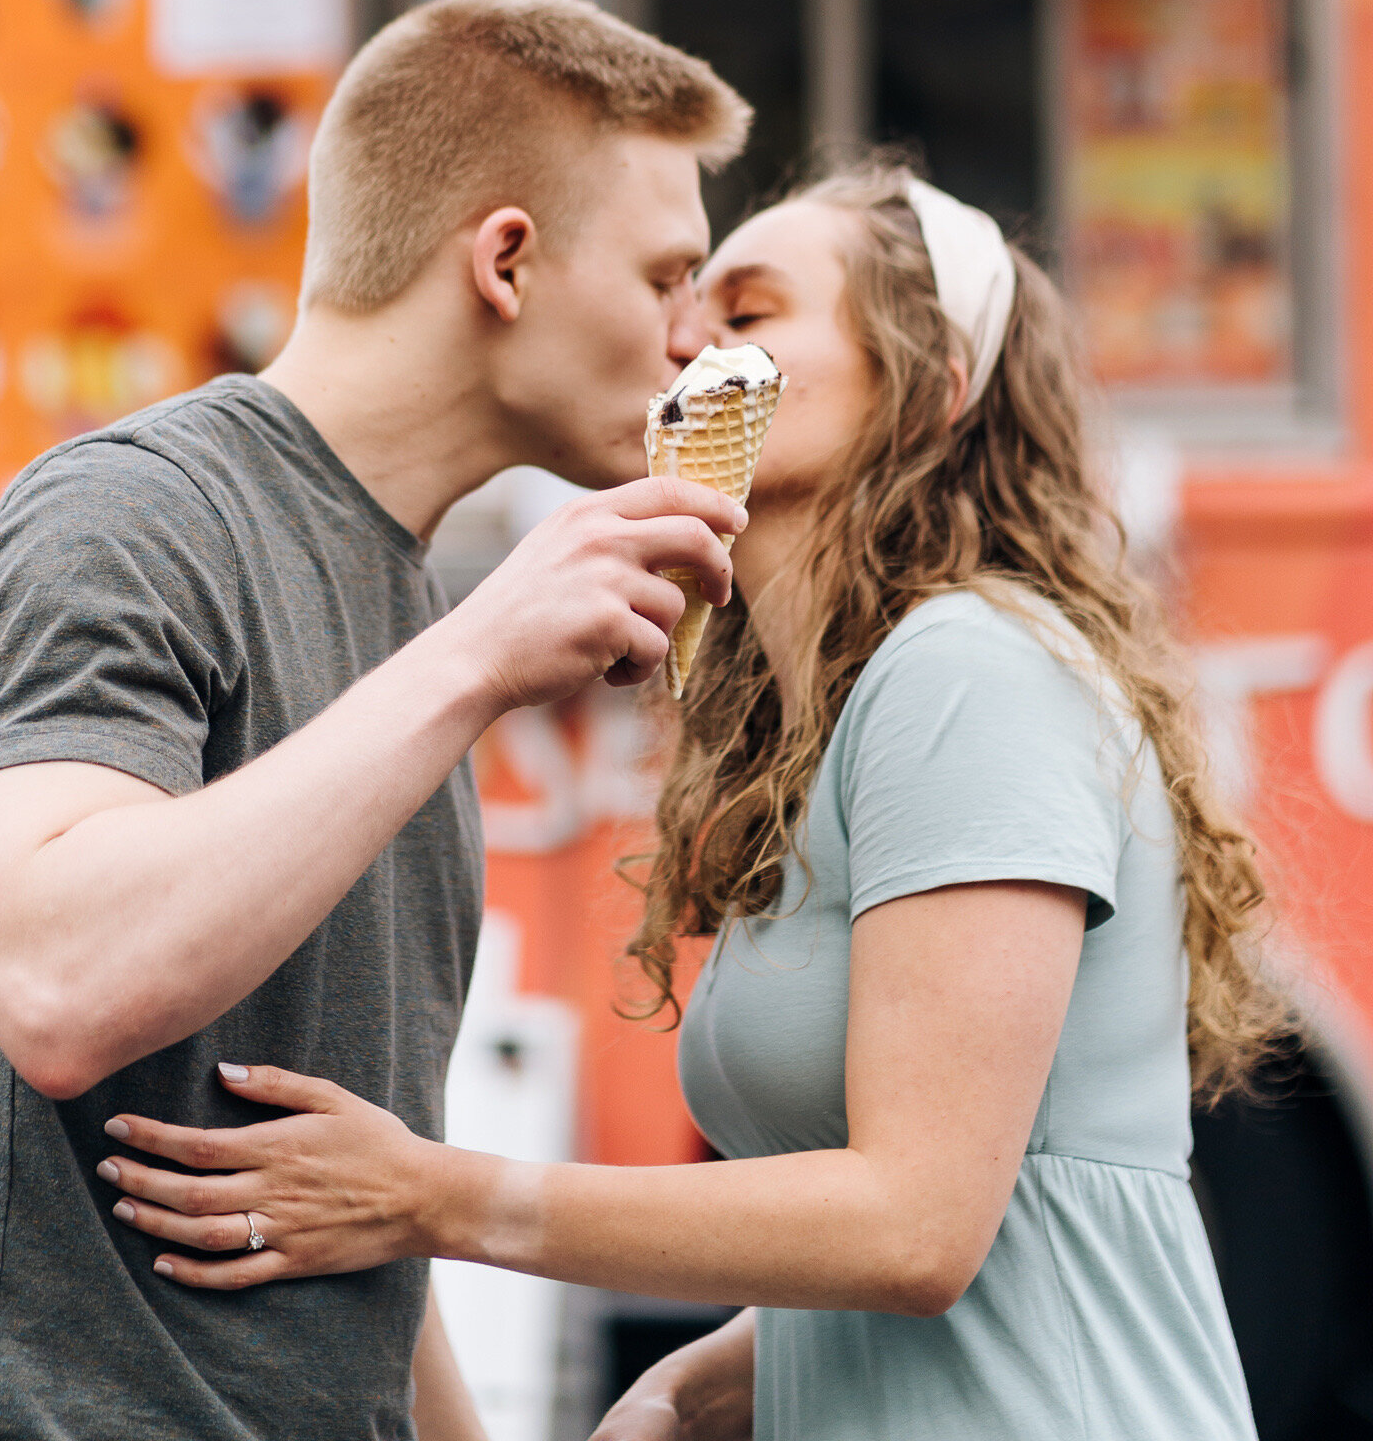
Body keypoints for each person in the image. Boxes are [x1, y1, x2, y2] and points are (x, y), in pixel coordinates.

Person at [97, 158, 1280, 1441]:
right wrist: (691, 1384)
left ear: (931, 392)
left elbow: (919, 1227)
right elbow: (946, 1230)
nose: (688, 342)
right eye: (683, 304)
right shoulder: (847, 716)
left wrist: (428, 1197)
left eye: (752, 312)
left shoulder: (969, 669)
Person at [0, 0, 757, 1441]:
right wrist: (472, 664)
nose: (695, 344)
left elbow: (354, 1246)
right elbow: (55, 983)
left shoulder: (418, 625)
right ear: (508, 263)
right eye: (668, 277)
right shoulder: (131, 515)